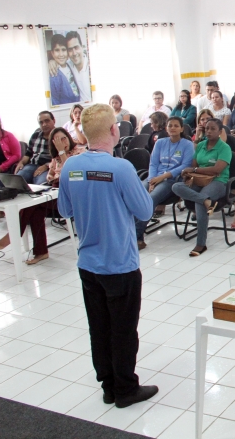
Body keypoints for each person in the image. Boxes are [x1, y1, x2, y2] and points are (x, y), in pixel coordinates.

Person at [57, 103, 157, 409]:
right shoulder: (121, 168)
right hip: (120, 265)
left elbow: (65, 210)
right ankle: (126, 389)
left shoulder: (70, 167)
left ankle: (109, 386)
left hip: (88, 264)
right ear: (114, 130)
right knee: (123, 330)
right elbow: (145, 211)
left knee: (99, 328)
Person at [0, 128, 84, 265]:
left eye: (63, 138)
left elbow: (73, 173)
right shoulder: (56, 158)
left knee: (33, 204)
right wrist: (51, 177)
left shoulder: (80, 153)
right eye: (57, 141)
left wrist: (62, 153)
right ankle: (41, 252)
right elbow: (51, 174)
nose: (62, 143)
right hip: (55, 192)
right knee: (35, 210)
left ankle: (12, 235)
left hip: (72, 197)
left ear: (69, 138)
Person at [171, 119, 231, 256]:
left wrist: (195, 170)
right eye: (207, 128)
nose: (208, 131)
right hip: (199, 180)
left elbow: (217, 170)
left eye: (213, 129)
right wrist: (188, 175)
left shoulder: (224, 148)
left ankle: (201, 243)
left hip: (218, 181)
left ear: (220, 131)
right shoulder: (201, 145)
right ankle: (206, 201)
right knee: (176, 186)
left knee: (199, 202)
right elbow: (194, 165)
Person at [135, 116, 194, 235]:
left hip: (171, 180)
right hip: (154, 177)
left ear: (182, 129)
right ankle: (128, 228)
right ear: (166, 128)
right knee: (136, 195)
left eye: (176, 126)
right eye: (170, 125)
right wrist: (152, 180)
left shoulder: (187, 144)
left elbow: (185, 166)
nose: (173, 128)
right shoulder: (160, 142)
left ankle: (138, 235)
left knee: (150, 199)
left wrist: (161, 177)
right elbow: (153, 163)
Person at [15, 111, 55, 185]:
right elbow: (28, 153)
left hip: (49, 168)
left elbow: (61, 158)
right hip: (31, 166)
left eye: (47, 121)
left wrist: (46, 166)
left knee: (42, 185)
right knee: (17, 182)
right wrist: (21, 163)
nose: (44, 124)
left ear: (54, 120)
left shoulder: (59, 136)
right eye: (41, 122)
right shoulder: (35, 135)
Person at [48, 34, 81, 106]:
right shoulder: (53, 74)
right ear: (52, 53)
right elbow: (55, 102)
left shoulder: (70, 65)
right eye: (57, 50)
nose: (61, 54)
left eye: (63, 50)